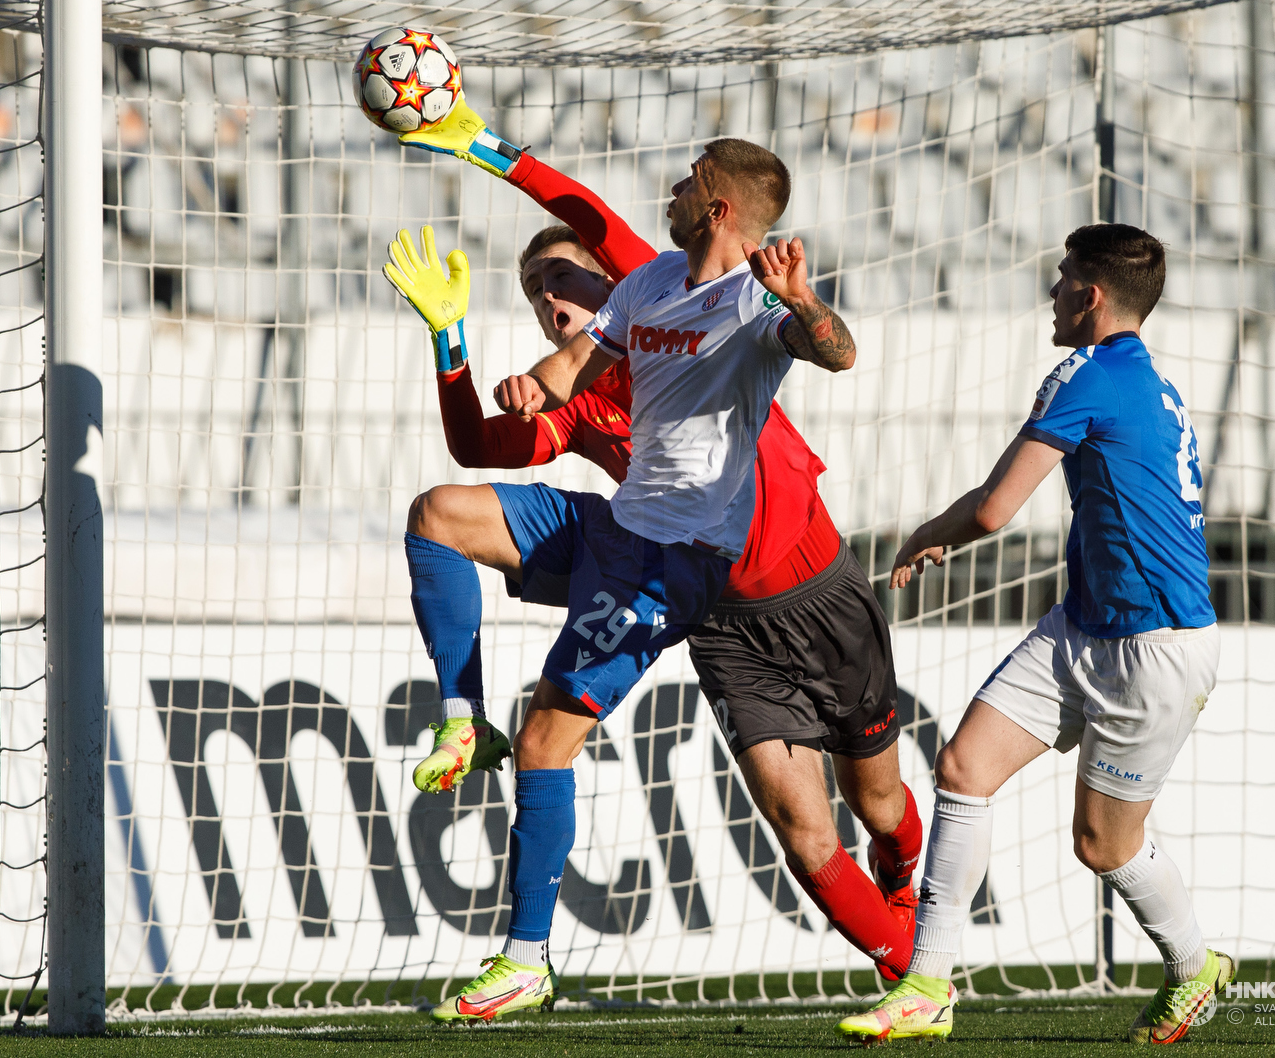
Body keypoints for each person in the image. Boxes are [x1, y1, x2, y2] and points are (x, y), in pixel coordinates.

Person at [388, 103, 925, 993]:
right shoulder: (609, 356)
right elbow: (488, 442)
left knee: (878, 803)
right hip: (689, 587)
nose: (549, 301)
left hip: (806, 583)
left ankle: (909, 900)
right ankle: (464, 724)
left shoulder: (692, 286)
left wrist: (477, 143)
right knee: (442, 514)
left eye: (562, 278)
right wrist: (454, 343)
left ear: (609, 273)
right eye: (532, 293)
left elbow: (596, 213)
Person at [835, 224, 1230, 1045]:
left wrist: (926, 531)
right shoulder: (1144, 378)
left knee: (1101, 844)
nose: (1051, 292)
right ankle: (929, 985)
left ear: (1089, 295)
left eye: (1061, 279)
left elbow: (993, 508)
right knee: (963, 765)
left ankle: (1196, 967)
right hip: (1082, 623)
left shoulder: (1086, 371)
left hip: (1152, 650)